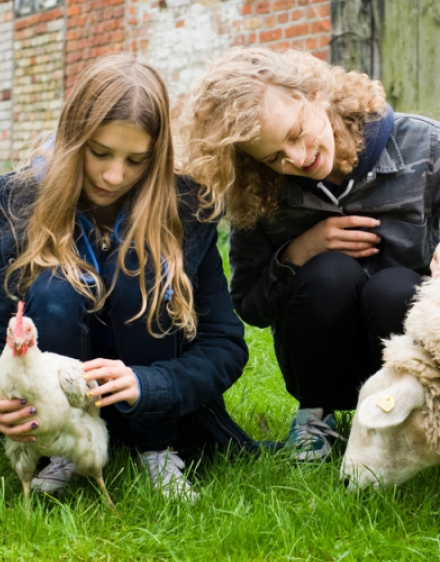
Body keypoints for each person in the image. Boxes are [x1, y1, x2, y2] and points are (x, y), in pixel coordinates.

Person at [177, 47, 440, 460]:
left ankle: (412, 413)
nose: (297, 158)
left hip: (406, 339)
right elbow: (251, 307)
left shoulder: (422, 144)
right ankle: (314, 421)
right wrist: (299, 252)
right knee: (329, 273)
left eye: (295, 134)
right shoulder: (258, 191)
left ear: (313, 94)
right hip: (319, 360)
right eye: (273, 157)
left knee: (394, 286)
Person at [0, 54, 255, 501]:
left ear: (157, 157)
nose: (114, 175)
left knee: (140, 272)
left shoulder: (187, 211)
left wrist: (149, 384)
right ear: (72, 139)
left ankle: (156, 450)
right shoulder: (18, 203)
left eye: (136, 160)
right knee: (55, 288)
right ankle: (63, 454)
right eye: (99, 153)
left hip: (157, 410)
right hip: (54, 413)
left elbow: (225, 346)